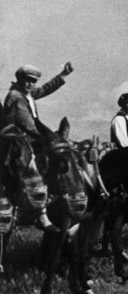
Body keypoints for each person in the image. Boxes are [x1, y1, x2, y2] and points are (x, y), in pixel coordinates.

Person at [2, 62, 74, 232]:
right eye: (27, 80)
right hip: (17, 141)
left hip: (29, 138)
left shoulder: (27, 94)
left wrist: (63, 74)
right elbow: (28, 125)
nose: (31, 84)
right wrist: (48, 138)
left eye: (33, 81)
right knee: (34, 166)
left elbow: (44, 89)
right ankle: (40, 214)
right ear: (19, 79)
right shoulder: (15, 96)